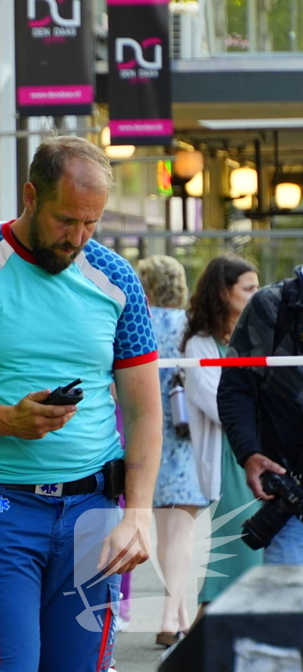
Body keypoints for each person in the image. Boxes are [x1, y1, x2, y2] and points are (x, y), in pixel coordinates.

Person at [0, 136, 162, 672]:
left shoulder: (117, 280)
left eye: (92, 223)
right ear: (30, 196)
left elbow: (144, 409)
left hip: (91, 512)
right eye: (67, 220)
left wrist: (139, 513)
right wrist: (8, 421)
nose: (79, 238)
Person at [135, 255, 208, 646]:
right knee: (182, 534)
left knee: (166, 535)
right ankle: (170, 617)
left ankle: (177, 614)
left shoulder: (137, 324)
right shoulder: (189, 329)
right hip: (187, 437)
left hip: (149, 438)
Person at [183, 255, 261, 607]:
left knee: (255, 565)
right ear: (223, 293)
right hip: (229, 462)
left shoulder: (258, 336)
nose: (257, 295)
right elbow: (219, 407)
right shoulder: (200, 344)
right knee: (235, 560)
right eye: (249, 288)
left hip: (262, 454)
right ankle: (199, 652)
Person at [218, 264, 303, 565]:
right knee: (286, 610)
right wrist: (249, 453)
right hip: (293, 504)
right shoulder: (273, 304)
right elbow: (235, 388)